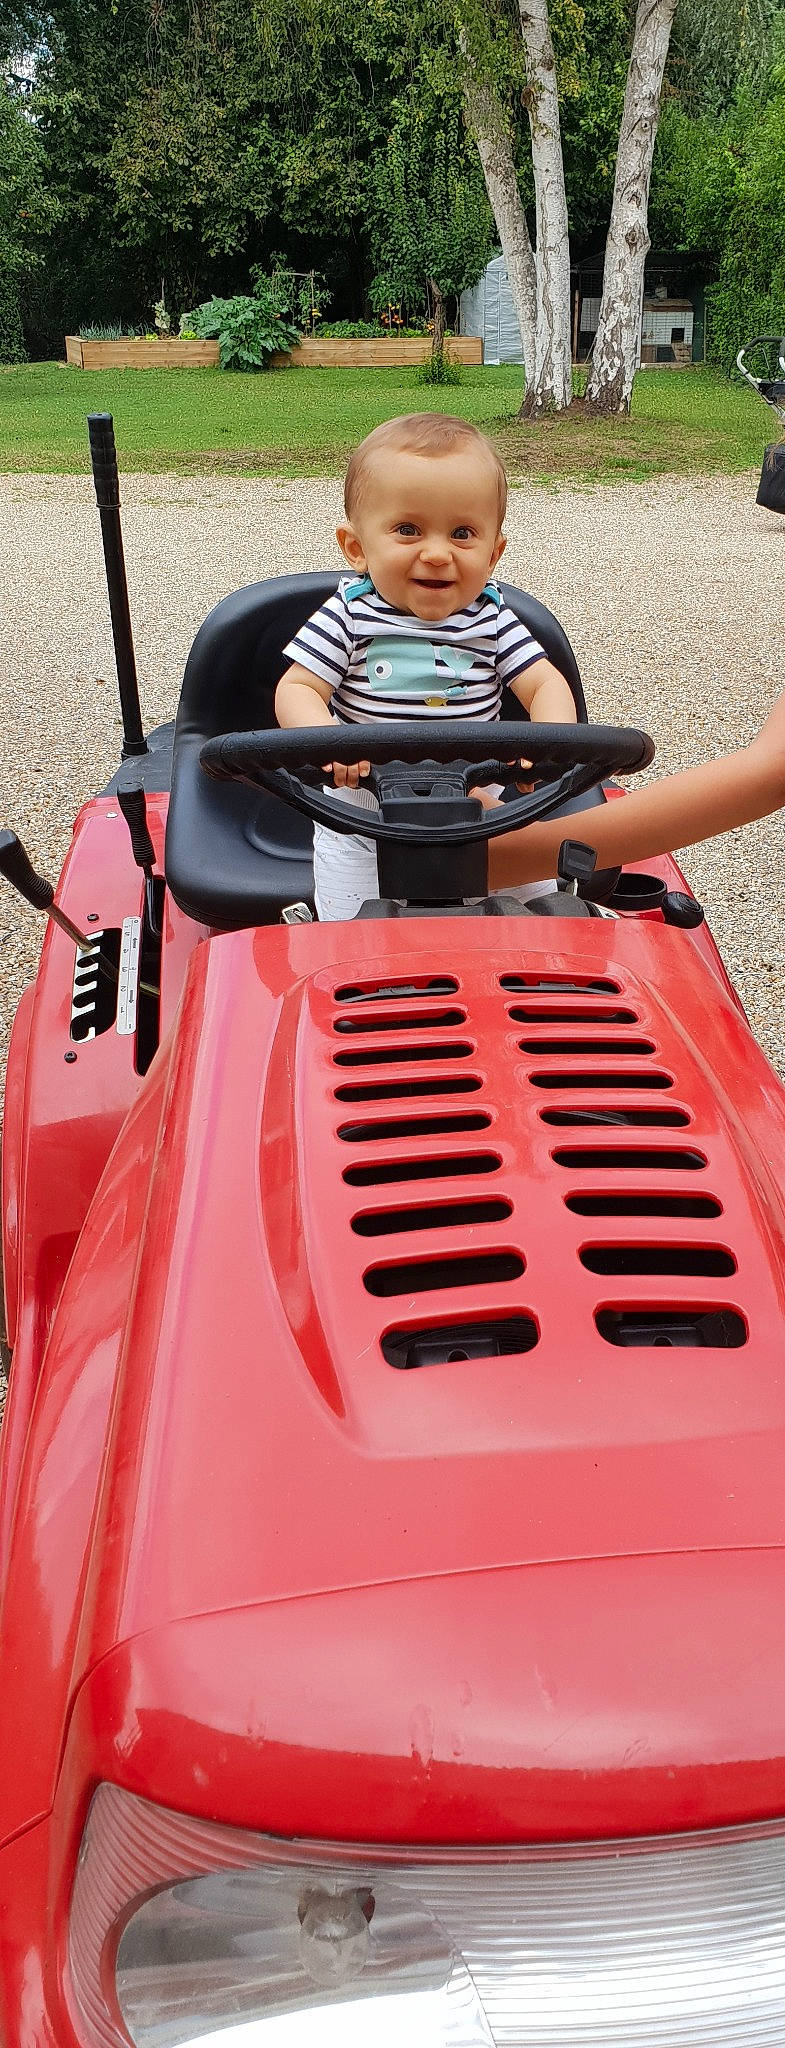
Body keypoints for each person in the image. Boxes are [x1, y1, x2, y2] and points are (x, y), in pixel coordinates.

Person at [275, 412, 577, 919]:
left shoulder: (493, 618)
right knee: (353, 930)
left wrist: (546, 741)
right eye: (409, 529)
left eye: (462, 533)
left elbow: (545, 682)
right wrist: (332, 742)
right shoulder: (349, 615)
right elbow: (297, 688)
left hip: (474, 794)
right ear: (356, 547)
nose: (437, 554)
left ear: (493, 553)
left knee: (536, 913)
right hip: (363, 808)